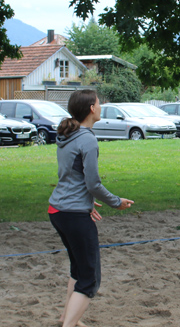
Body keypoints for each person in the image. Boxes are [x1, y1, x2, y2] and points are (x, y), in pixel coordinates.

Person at [48, 89, 134, 327]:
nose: (102, 104)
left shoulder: (69, 135)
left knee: (78, 270)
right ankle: (68, 324)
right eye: (99, 102)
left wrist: (86, 202)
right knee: (89, 280)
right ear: (91, 109)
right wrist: (116, 202)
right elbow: (92, 183)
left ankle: (67, 318)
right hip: (73, 214)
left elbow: (71, 177)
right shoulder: (86, 138)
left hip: (58, 210)